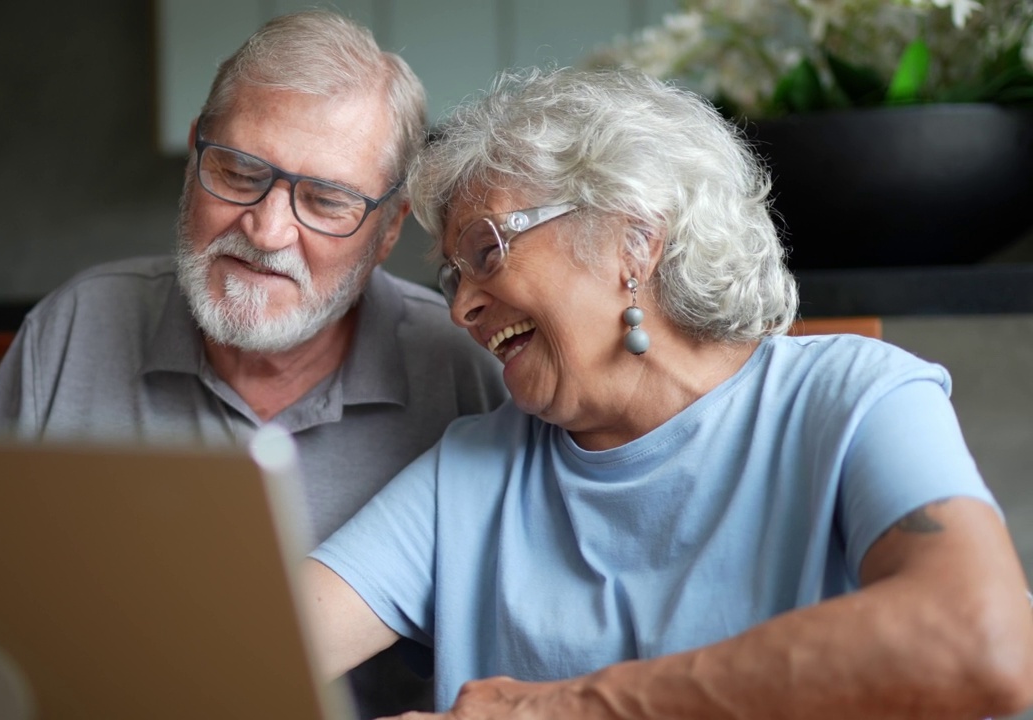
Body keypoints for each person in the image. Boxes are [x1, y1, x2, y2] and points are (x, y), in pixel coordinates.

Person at [302, 66, 1033, 719]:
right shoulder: (469, 470)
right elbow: (261, 647)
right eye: (453, 276)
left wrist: (558, 710)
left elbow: (984, 642)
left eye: (487, 250)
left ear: (634, 240)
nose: (461, 308)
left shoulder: (856, 399)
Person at [0, 11, 507, 718]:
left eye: (325, 200)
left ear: (387, 230)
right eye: (238, 171)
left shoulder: (466, 374)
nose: (266, 229)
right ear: (196, 156)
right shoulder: (72, 328)